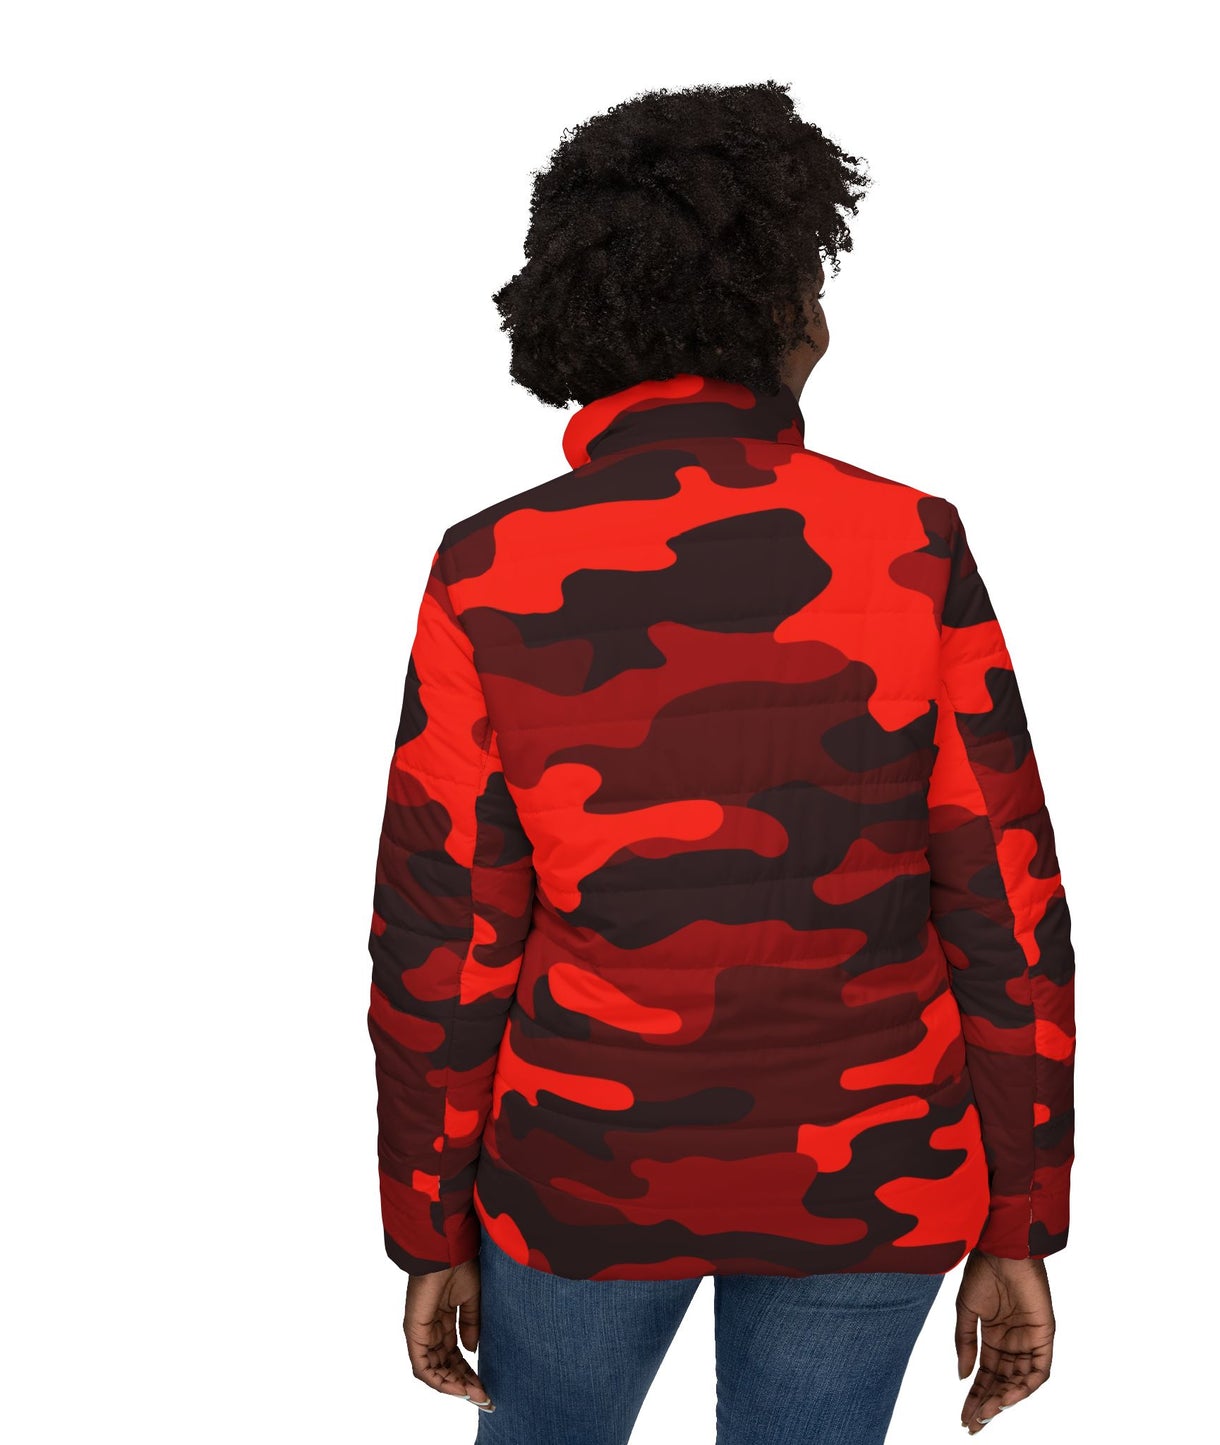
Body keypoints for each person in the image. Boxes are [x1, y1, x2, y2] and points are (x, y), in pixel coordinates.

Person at [366, 79, 1076, 1445]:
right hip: (875, 1169)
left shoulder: (489, 567)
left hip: (582, 1167)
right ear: (774, 309)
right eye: (813, 285)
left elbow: (442, 934)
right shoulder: (910, 544)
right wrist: (1018, 1212)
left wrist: (427, 1221)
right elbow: (1006, 905)